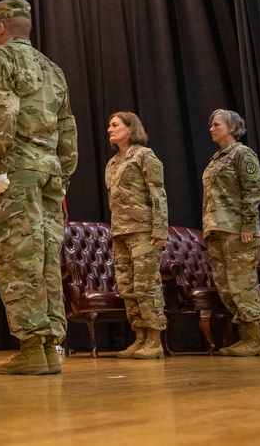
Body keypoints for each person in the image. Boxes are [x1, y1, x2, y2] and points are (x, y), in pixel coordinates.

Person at [0, 0, 77, 375]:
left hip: (16, 170)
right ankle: (51, 345)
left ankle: (33, 347)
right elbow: (68, 129)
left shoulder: (0, 59)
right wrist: (63, 173)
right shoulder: (53, 69)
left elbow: (1, 111)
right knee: (48, 255)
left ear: (1, 29)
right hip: (50, 172)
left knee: (17, 254)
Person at [202, 109, 260, 357]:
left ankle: (255, 338)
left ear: (231, 128)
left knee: (243, 284)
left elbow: (254, 190)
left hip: (238, 230)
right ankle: (245, 336)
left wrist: (249, 225)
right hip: (217, 230)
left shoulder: (242, 153)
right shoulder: (215, 159)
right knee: (226, 286)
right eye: (211, 124)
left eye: (216, 124)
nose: (211, 128)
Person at [105, 112, 168, 360]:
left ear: (130, 129)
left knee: (147, 286)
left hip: (143, 231)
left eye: (115, 125)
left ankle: (154, 339)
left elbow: (158, 194)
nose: (109, 129)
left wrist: (160, 229)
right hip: (120, 232)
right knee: (128, 288)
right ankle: (140, 336)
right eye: (109, 126)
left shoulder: (145, 155)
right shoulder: (111, 163)